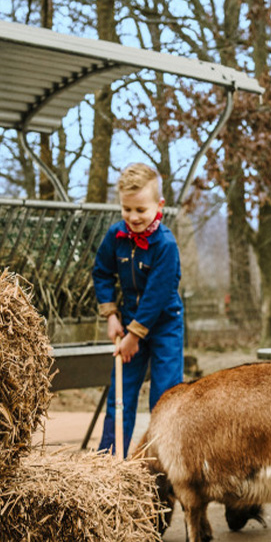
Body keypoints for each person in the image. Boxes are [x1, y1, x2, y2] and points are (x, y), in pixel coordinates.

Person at [91, 163, 184, 456]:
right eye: (126, 209)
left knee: (165, 397)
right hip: (129, 320)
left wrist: (134, 335)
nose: (133, 217)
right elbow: (102, 273)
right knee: (120, 394)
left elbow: (158, 295)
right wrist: (112, 316)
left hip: (165, 325)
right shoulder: (115, 235)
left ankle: (163, 466)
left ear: (159, 206)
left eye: (141, 210)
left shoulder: (166, 245)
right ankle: (109, 461)